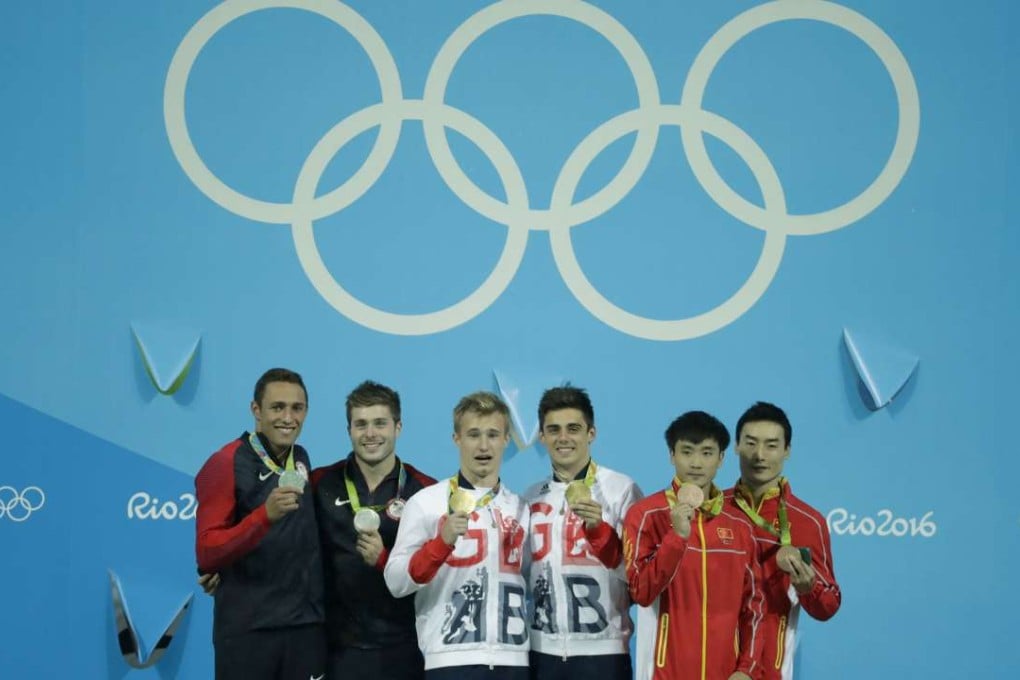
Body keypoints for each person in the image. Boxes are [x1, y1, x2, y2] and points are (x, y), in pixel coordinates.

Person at [384, 391, 529, 679]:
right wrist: (440, 544)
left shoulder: (521, 508)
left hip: (513, 661)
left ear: (506, 440)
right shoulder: (426, 503)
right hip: (449, 660)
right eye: (473, 434)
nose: (483, 445)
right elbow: (396, 581)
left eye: (493, 434)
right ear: (456, 439)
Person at [194, 368, 325, 680]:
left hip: (305, 628)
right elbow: (207, 551)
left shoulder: (301, 457)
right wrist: (263, 515)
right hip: (249, 630)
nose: (288, 418)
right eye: (277, 407)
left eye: (297, 408)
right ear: (256, 410)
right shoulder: (226, 462)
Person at [623, 411, 764, 680]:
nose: (696, 463)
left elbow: (754, 605)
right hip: (663, 672)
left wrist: (747, 668)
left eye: (707, 453)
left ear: (722, 458)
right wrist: (677, 537)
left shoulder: (740, 524)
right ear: (671, 455)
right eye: (687, 452)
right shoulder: (646, 515)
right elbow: (641, 592)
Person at [311, 380, 436, 680]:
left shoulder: (426, 491)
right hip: (337, 650)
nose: (370, 434)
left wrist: (386, 558)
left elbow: (441, 568)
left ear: (398, 427)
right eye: (361, 424)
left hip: (406, 648)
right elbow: (283, 538)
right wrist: (228, 569)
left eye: (380, 423)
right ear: (349, 430)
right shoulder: (320, 484)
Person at [523, 385, 641, 680]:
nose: (563, 438)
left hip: (604, 653)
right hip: (541, 653)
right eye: (554, 429)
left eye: (573, 428)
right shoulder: (531, 497)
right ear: (542, 437)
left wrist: (602, 533)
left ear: (591, 433)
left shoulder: (620, 489)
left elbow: (640, 576)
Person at [725, 402, 841, 680]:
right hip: (709, 662)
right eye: (750, 443)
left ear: (787, 451)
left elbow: (829, 604)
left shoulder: (807, 521)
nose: (759, 455)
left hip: (770, 669)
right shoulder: (711, 509)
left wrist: (808, 588)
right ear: (736, 446)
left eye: (771, 445)